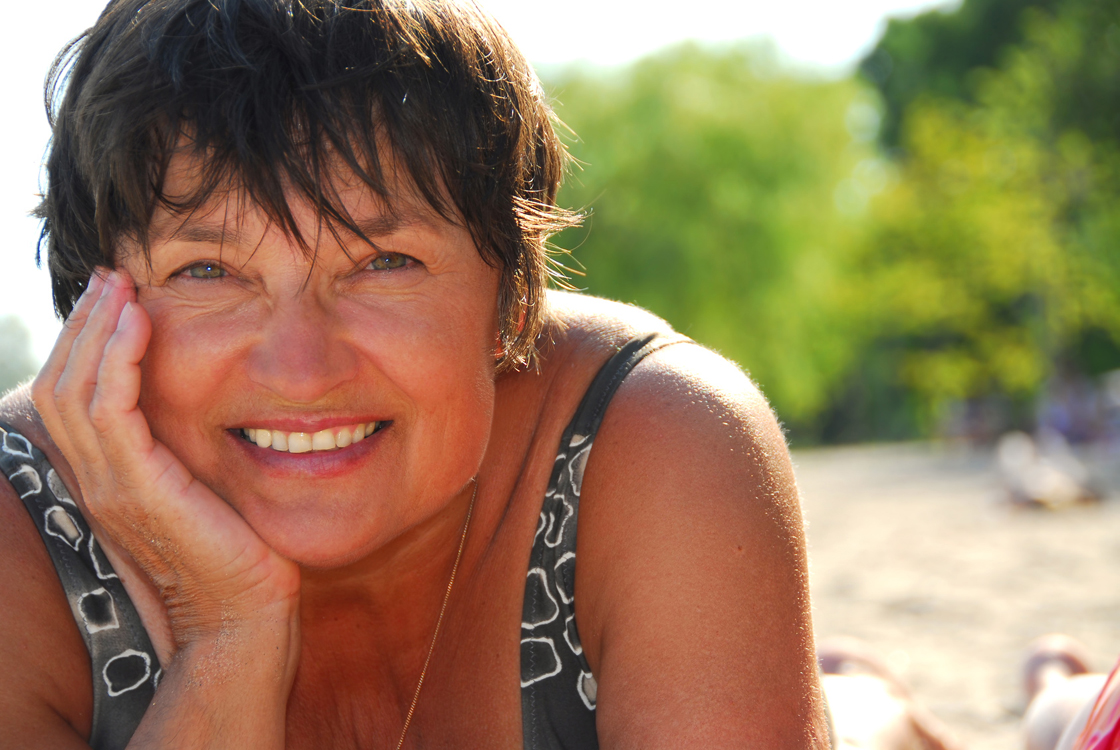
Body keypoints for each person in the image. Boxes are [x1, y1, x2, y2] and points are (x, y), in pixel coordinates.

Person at [0, 1, 830, 747]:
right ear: (92, 308)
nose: (302, 370)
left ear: (512, 296)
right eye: (208, 272)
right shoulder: (22, 533)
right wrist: (228, 633)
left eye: (382, 262)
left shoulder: (649, 438)